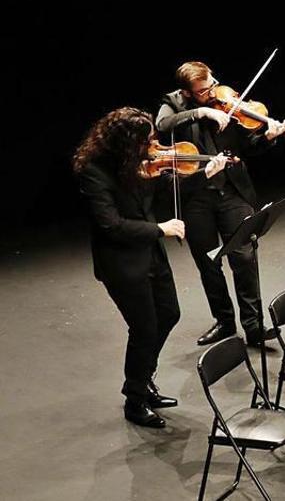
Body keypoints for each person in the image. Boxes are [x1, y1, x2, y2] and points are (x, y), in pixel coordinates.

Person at [74, 106, 230, 427]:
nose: (154, 147)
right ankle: (135, 399)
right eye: (147, 142)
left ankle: (142, 379)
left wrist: (204, 174)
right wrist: (161, 229)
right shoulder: (94, 172)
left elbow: (167, 186)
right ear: (126, 144)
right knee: (144, 329)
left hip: (151, 255)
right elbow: (111, 225)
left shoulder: (142, 164)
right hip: (122, 264)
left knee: (169, 313)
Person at [156, 61, 285, 346]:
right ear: (188, 93)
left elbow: (247, 147)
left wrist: (267, 137)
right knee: (208, 262)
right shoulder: (173, 104)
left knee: (244, 257)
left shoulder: (224, 99)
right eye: (204, 92)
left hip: (231, 191)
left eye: (212, 84)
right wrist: (200, 112)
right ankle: (225, 322)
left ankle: (254, 327)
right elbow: (162, 124)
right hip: (196, 197)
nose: (212, 93)